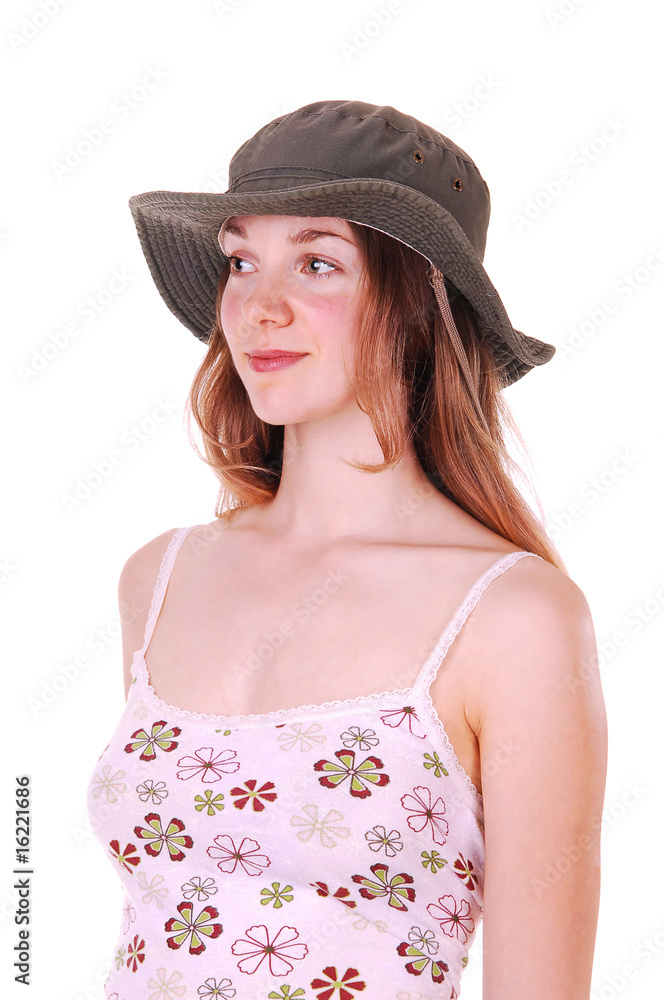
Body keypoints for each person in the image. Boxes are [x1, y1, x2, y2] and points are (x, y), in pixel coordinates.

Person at [86, 100, 608, 999]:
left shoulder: (512, 617)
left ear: (421, 303)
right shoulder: (160, 578)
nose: (259, 305)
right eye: (241, 260)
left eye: (318, 262)